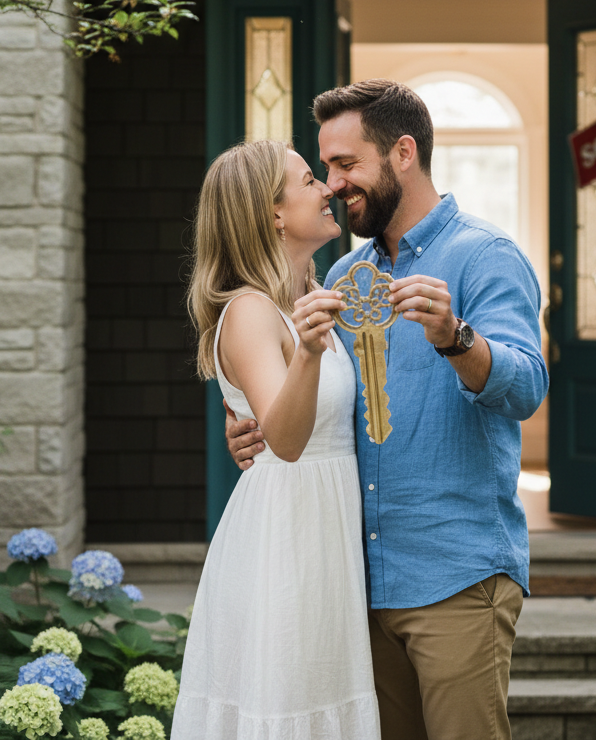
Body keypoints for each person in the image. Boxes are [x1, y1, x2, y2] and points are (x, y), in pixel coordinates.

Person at [227, 80, 549, 740]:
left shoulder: (485, 256)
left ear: (403, 152)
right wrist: (251, 427)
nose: (333, 183)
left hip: (456, 575)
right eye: (324, 168)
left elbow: (526, 388)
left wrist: (457, 340)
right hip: (357, 582)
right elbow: (310, 397)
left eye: (346, 165)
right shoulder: (345, 277)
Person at [172, 138, 381, 740]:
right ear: (272, 213)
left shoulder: (311, 297)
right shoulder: (249, 311)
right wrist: (311, 352)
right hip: (287, 538)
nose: (328, 189)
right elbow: (286, 441)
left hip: (327, 526)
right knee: (290, 701)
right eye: (311, 180)